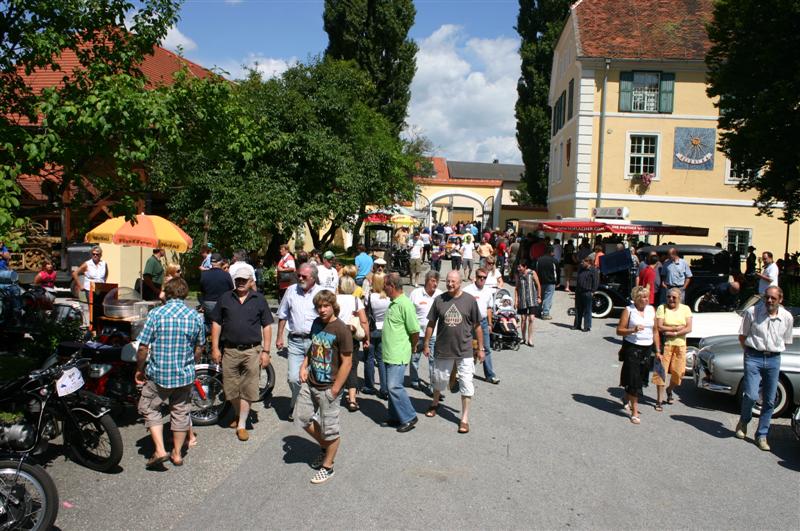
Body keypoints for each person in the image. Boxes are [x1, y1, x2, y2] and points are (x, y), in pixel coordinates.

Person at [135, 278, 204, 468]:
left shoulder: (156, 314)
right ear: (184, 293)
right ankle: (177, 454)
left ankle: (160, 449)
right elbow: (199, 348)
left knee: (150, 407)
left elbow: (143, 347)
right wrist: (191, 363)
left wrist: (139, 370)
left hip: (159, 375)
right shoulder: (195, 316)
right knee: (181, 412)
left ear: (168, 292)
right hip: (184, 375)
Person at [295, 290, 353, 484]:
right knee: (302, 418)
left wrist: (335, 389)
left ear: (333, 306)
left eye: (325, 306)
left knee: (331, 431)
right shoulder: (316, 324)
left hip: (329, 387)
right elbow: (312, 348)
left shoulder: (341, 329)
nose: (322, 310)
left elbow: (347, 362)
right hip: (311, 382)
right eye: (319, 306)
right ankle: (325, 447)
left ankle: (327, 467)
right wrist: (304, 367)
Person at [210, 269, 273, 441]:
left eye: (244, 280)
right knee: (230, 388)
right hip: (229, 350)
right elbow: (216, 323)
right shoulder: (225, 298)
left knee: (248, 387)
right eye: (238, 279)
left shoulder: (259, 299)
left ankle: (242, 424)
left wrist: (266, 351)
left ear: (251, 281)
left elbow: (267, 326)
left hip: (252, 351)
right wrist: (215, 348)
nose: (240, 282)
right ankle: (239, 413)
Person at [423, 271, 483, 434]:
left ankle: (464, 419)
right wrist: (426, 343)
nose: (450, 284)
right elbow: (431, 323)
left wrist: (481, 349)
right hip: (443, 349)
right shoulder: (439, 300)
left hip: (465, 350)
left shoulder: (470, 301)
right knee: (438, 380)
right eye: (448, 281)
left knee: (466, 383)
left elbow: (477, 326)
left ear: (460, 282)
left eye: (453, 282)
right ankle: (435, 403)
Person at [735, 286, 794, 451]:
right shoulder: (752, 312)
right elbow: (742, 336)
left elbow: (786, 340)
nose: (769, 301)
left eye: (773, 298)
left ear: (780, 300)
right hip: (753, 356)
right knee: (751, 395)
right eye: (766, 297)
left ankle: (761, 435)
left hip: (774, 359)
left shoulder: (787, 317)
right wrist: (749, 354)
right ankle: (744, 421)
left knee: (769, 400)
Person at [276, 263, 324, 418]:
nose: (300, 278)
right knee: (293, 378)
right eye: (299, 275)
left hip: (315, 341)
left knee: (315, 377)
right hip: (295, 341)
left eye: (304, 276)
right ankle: (296, 402)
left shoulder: (322, 292)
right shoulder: (291, 291)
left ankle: (312, 407)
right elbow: (282, 315)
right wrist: (279, 336)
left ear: (314, 277)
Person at [381, 273, 420, 432]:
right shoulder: (393, 303)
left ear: (392, 286)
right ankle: (395, 416)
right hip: (389, 352)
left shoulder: (405, 304)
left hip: (398, 353)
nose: (383, 288)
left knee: (394, 386)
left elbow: (415, 330)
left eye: (385, 285)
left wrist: (413, 346)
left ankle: (409, 416)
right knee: (391, 388)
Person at [616, 286, 660, 425]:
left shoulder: (651, 310)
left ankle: (626, 397)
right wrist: (632, 330)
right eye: (642, 297)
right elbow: (619, 331)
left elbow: (655, 332)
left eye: (647, 297)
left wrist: (658, 350)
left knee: (640, 379)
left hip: (647, 349)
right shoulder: (629, 310)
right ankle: (634, 412)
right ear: (636, 298)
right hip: (632, 348)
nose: (645, 300)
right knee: (634, 380)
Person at [653, 288, 693, 411]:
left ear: (679, 298)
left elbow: (689, 328)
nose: (671, 299)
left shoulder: (685, 309)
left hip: (680, 345)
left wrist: (673, 332)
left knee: (678, 373)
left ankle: (670, 389)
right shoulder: (662, 308)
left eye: (674, 297)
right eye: (669, 297)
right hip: (666, 345)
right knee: (661, 372)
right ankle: (659, 400)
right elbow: (659, 327)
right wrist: (679, 327)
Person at [336, 275, 369, 412]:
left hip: (335, 334)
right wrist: (366, 338)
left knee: (335, 364)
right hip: (351, 336)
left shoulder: (334, 299)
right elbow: (364, 321)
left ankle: (334, 393)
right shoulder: (356, 301)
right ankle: (352, 399)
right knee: (352, 366)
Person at [463, 268, 500, 384]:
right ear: (476, 276)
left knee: (486, 348)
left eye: (484, 278)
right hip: (469, 322)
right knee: (467, 348)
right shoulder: (467, 290)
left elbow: (489, 308)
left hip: (483, 322)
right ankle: (464, 372)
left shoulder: (488, 291)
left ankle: (490, 375)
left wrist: (489, 324)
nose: (482, 280)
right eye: (480, 277)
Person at [409, 270, 442, 392]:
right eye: (433, 281)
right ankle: (414, 380)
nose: (435, 284)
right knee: (414, 358)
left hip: (434, 333)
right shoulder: (416, 293)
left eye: (437, 281)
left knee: (433, 361)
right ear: (427, 281)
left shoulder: (440, 295)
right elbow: (410, 313)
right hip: (418, 333)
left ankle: (433, 386)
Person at [363, 273, 390, 398]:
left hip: (372, 328)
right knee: (381, 359)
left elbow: (366, 310)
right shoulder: (387, 298)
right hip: (384, 329)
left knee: (369, 358)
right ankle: (384, 387)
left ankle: (369, 385)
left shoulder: (370, 296)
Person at [200, 253, 234, 318]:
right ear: (221, 261)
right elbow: (231, 289)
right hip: (223, 303)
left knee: (209, 323)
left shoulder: (204, 275)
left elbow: (202, 290)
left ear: (210, 262)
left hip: (208, 303)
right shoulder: (226, 275)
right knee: (222, 323)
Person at [515, 261, 541, 346]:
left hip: (532, 299)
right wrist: (516, 300)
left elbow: (538, 285)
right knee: (523, 319)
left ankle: (530, 339)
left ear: (525, 267)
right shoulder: (519, 275)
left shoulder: (532, 273)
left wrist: (539, 296)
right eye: (518, 267)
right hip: (522, 300)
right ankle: (523, 338)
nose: (518, 269)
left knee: (531, 319)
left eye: (520, 267)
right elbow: (516, 288)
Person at [573, 257, 598, 332]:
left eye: (583, 262)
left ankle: (587, 326)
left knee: (587, 310)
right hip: (579, 291)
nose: (581, 263)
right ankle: (577, 325)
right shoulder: (581, 269)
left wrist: (593, 291)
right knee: (578, 309)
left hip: (587, 292)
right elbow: (578, 280)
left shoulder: (593, 270)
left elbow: (596, 282)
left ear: (588, 262)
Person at [536, 245, 558, 320]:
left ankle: (537, 312)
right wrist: (557, 282)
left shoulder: (539, 260)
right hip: (550, 282)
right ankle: (545, 313)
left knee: (540, 296)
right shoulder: (554, 260)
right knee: (548, 297)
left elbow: (537, 271)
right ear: (551, 252)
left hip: (540, 281)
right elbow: (557, 272)